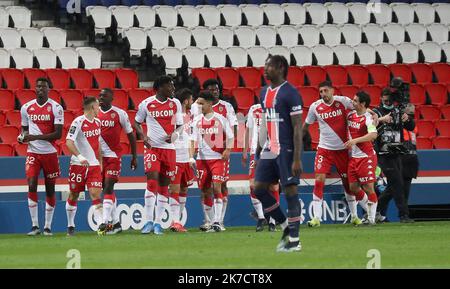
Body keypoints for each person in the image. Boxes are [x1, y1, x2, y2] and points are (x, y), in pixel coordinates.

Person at [303, 81, 370, 227]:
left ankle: (354, 216)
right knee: (319, 179)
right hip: (324, 149)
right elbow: (306, 125)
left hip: (343, 150)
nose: (323, 94)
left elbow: (361, 108)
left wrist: (374, 115)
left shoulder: (343, 101)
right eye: (321, 92)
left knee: (348, 184)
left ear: (332, 91)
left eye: (326, 91)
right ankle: (316, 219)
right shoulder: (315, 107)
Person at [253, 55, 303, 252]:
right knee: (258, 188)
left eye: (268, 66)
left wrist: (297, 158)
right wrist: (259, 147)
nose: (264, 69)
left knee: (290, 190)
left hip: (286, 149)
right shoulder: (264, 92)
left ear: (280, 67)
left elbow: (298, 126)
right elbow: (266, 120)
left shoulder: (291, 93)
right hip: (269, 148)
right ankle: (285, 227)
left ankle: (295, 240)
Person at [135, 76, 183, 235]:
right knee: (152, 183)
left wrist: (175, 135)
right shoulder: (146, 104)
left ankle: (157, 223)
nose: (173, 88)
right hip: (152, 148)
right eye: (170, 86)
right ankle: (148, 221)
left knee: (164, 187)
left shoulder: (175, 103)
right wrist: (143, 136)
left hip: (169, 149)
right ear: (161, 87)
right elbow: (137, 122)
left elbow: (180, 126)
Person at [19, 77, 64, 236]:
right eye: (38, 86)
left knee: (50, 190)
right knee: (31, 184)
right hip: (33, 153)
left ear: (48, 89)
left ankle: (47, 227)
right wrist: (23, 137)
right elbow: (24, 130)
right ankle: (35, 226)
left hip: (50, 153)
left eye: (43, 87)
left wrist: (34, 137)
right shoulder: (26, 108)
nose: (40, 89)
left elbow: (58, 134)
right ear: (35, 88)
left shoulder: (56, 108)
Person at [191, 79, 238, 231]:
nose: (215, 91)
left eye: (216, 89)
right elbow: (193, 138)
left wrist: (228, 149)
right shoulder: (196, 115)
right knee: (205, 190)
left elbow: (233, 131)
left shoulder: (225, 109)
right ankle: (209, 221)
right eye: (211, 89)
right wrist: (192, 155)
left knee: (219, 186)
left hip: (219, 156)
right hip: (202, 159)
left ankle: (219, 221)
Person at [96, 88, 137, 235]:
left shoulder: (119, 113)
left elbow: (131, 135)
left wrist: (134, 156)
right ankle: (117, 224)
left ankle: (106, 223)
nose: (101, 98)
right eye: (99, 95)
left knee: (108, 187)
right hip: (98, 159)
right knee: (106, 189)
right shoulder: (94, 113)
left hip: (114, 157)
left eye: (104, 96)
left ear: (111, 98)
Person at [373, 87, 415, 223]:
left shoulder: (397, 111)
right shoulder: (376, 111)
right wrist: (380, 119)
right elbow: (368, 125)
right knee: (397, 183)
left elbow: (411, 126)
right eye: (385, 98)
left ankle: (376, 210)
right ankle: (403, 215)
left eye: (390, 98)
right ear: (381, 98)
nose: (388, 100)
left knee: (394, 185)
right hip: (383, 153)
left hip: (397, 151)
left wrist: (407, 118)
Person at [65, 96, 103, 236]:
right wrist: (80, 157)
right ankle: (70, 225)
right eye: (98, 106)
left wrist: (100, 162)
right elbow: (69, 142)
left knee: (95, 193)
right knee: (74, 194)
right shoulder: (78, 122)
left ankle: (101, 226)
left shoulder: (98, 122)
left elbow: (98, 144)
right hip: (78, 165)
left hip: (93, 166)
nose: (99, 109)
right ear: (93, 107)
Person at [242, 103, 279, 232]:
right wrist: (245, 150)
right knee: (253, 185)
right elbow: (248, 129)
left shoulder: (277, 108)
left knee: (273, 187)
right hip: (255, 151)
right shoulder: (253, 109)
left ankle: (273, 221)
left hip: (272, 151)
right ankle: (261, 217)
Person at [344, 91, 379, 225]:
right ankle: (371, 211)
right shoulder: (351, 115)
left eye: (355, 100)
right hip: (354, 158)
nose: (352, 102)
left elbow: (373, 135)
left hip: (366, 156)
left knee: (368, 188)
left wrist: (355, 141)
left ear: (362, 103)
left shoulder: (368, 118)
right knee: (353, 187)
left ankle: (371, 218)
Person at [169, 88, 195, 232]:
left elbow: (191, 138)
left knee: (184, 188)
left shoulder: (191, 116)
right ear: (186, 101)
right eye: (191, 99)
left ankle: (177, 221)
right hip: (176, 156)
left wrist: (191, 156)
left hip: (186, 157)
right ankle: (175, 221)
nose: (192, 102)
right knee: (175, 188)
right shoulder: (175, 117)